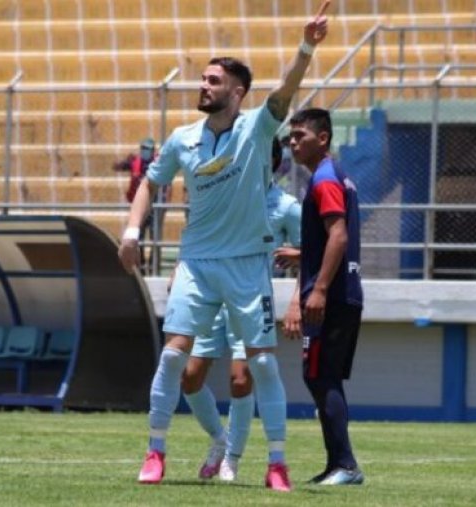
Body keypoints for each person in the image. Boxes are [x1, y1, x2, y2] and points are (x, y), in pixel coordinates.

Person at [117, 0, 331, 492]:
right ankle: (156, 451)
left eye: (214, 81)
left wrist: (305, 47)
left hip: (245, 266)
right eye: (204, 78)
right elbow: (151, 182)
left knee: (258, 363)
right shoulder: (182, 138)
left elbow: (286, 91)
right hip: (196, 262)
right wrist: (131, 232)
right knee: (174, 358)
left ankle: (276, 463)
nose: (204, 85)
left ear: (237, 93)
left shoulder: (255, 129)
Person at [181, 137, 302, 483]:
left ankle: (232, 459)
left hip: (249, 299)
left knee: (241, 378)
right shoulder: (226, 194)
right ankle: (219, 441)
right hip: (212, 296)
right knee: (189, 378)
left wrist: (295, 300)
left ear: (272, 163)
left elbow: (309, 252)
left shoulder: (287, 206)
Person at [279, 108, 365, 486]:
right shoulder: (337, 176)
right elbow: (334, 238)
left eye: (300, 136)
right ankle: (337, 466)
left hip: (332, 296)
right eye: (290, 138)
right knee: (323, 376)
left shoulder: (324, 180)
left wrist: (319, 290)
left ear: (323, 138)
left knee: (319, 376)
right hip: (344, 292)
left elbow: (339, 236)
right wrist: (304, 256)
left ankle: (345, 466)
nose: (293, 143)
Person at [115, 137, 158, 274]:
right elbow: (119, 166)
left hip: (156, 208)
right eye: (143, 148)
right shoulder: (136, 163)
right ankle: (141, 267)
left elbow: (165, 187)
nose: (145, 151)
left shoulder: (158, 164)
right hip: (141, 207)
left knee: (155, 238)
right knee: (139, 238)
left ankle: (154, 267)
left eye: (148, 149)